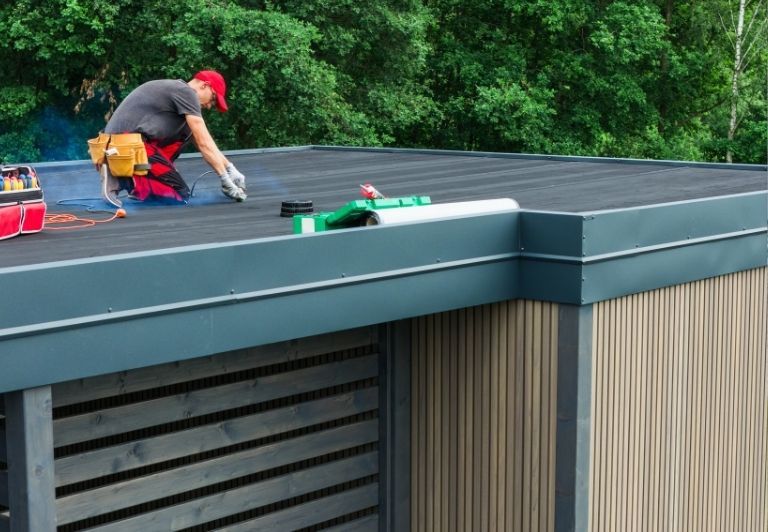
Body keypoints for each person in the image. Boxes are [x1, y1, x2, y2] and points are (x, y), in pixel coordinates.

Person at [103, 70, 247, 203]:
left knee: (187, 132)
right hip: (121, 145)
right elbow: (204, 144)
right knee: (178, 195)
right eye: (213, 98)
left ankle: (140, 183)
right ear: (205, 85)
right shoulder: (187, 93)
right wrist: (225, 179)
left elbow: (203, 140)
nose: (210, 106)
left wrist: (230, 169)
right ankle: (122, 180)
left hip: (123, 143)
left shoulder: (180, 93)